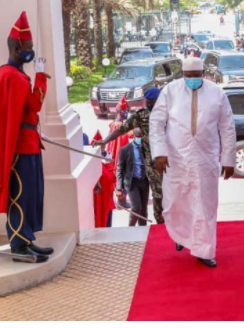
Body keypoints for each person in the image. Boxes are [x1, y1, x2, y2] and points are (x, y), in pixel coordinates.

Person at [0, 11, 53, 263]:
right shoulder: (10, 76)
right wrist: (41, 78)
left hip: (28, 144)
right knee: (20, 194)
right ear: (16, 47)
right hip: (20, 147)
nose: (30, 50)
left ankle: (27, 238)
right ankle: (18, 244)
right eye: (28, 47)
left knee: (30, 194)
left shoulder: (13, 74)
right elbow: (34, 105)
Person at [150, 57, 236, 268]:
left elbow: (227, 127)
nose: (193, 80)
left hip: (206, 158)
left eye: (196, 75)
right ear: (183, 75)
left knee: (205, 205)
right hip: (176, 159)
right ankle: (183, 237)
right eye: (189, 76)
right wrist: (159, 153)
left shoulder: (217, 92)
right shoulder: (170, 91)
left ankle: (205, 250)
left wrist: (228, 159)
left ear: (203, 73)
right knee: (176, 202)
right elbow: (156, 122)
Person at [94, 87, 164, 224]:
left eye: (153, 102)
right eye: (148, 102)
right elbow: (121, 130)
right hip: (152, 163)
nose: (150, 104)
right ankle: (161, 223)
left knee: (174, 194)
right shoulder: (141, 115)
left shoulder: (169, 114)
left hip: (171, 161)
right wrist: (105, 140)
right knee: (158, 195)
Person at [116, 128, 150, 226]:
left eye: (141, 136)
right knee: (136, 208)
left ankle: (143, 231)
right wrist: (119, 187)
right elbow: (119, 169)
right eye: (138, 136)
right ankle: (130, 228)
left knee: (144, 209)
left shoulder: (147, 148)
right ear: (134, 136)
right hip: (132, 183)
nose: (140, 138)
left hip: (144, 181)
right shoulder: (125, 150)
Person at [106, 96, 131, 168]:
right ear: (120, 112)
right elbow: (129, 135)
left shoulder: (113, 123)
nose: (126, 112)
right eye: (125, 110)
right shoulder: (120, 125)